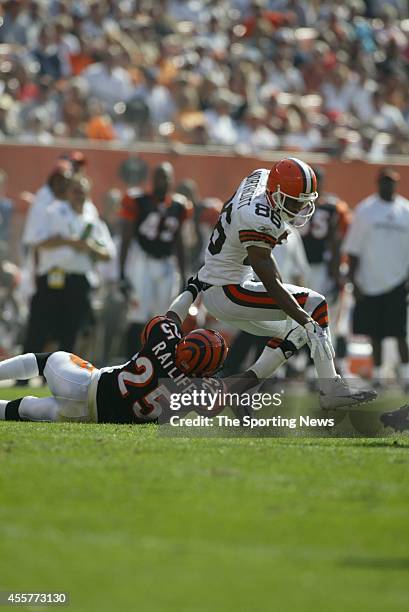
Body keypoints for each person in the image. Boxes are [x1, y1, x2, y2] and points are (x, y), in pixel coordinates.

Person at [170, 157, 376, 409]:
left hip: (226, 281)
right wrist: (305, 318)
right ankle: (330, 389)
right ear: (276, 192)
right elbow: (270, 280)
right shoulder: (258, 218)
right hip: (228, 290)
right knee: (315, 306)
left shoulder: (261, 178)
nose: (299, 208)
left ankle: (239, 387)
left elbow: (238, 218)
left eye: (303, 202)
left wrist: (304, 323)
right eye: (294, 202)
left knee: (299, 331)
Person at [0, 302, 228, 424]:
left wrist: (192, 288)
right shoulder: (198, 393)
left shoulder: (165, 338)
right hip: (87, 418)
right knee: (25, 408)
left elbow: (171, 316)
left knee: (49, 360)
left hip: (84, 383)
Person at [22, 174, 115, 355]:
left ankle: (62, 377)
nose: (79, 195)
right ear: (68, 192)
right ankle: (24, 376)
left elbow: (108, 254)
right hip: (52, 277)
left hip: (78, 281)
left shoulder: (92, 220)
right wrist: (68, 242)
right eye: (75, 190)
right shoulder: (53, 212)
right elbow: (36, 240)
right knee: (40, 328)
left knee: (71, 332)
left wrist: (89, 247)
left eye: (82, 191)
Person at [343, 167, 409, 392]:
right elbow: (353, 250)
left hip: (399, 281)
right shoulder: (365, 210)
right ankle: (380, 375)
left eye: (392, 182)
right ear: (378, 183)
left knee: (400, 333)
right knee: (375, 334)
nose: (388, 186)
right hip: (369, 282)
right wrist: (354, 281)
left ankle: (406, 376)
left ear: (397, 184)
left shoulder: (405, 210)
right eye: (385, 181)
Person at [119, 162, 189, 357]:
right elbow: (126, 238)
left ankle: (157, 363)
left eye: (167, 177)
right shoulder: (139, 201)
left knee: (164, 319)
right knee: (138, 315)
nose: (163, 181)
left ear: (172, 180)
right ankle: (130, 361)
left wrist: (184, 275)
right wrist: (122, 272)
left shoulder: (179, 205)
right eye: (159, 176)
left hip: (167, 263)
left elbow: (179, 243)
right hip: (142, 261)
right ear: (152, 180)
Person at [298, 166, 351, 380]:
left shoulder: (329, 207)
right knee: (306, 316)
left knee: (314, 317)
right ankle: (302, 363)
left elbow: (335, 242)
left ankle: (312, 365)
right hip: (304, 267)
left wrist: (336, 273)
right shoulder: (329, 207)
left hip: (315, 268)